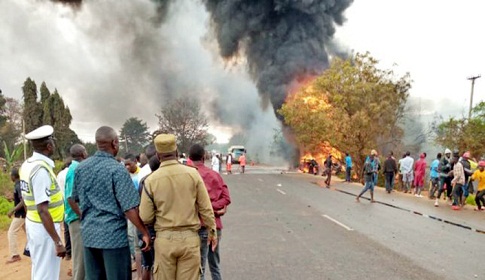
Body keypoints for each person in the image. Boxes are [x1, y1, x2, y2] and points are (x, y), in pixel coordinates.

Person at [72, 126, 150, 280]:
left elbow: (74, 199)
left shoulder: (81, 168)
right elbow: (129, 208)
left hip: (89, 236)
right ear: (114, 143)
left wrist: (87, 219)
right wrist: (144, 232)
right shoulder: (118, 170)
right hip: (113, 238)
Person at [140, 134, 217, 280]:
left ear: (157, 155)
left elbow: (146, 216)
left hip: (164, 241)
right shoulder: (193, 174)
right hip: (190, 240)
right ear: (176, 152)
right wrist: (212, 232)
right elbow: (206, 209)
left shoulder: (150, 181)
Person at [20, 125, 66, 279]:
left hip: (35, 223)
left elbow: (27, 199)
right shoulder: (40, 171)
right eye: (52, 141)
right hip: (45, 226)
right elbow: (42, 209)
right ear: (48, 146)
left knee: (39, 268)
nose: (54, 144)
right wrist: (57, 241)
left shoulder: (27, 165)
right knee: (47, 273)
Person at [189, 144, 231, 280]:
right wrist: (213, 209)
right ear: (204, 157)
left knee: (199, 268)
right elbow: (226, 198)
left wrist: (203, 208)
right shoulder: (214, 175)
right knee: (215, 266)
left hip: (195, 227)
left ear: (189, 158)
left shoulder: (187, 176)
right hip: (214, 225)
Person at [64, 144, 88, 280]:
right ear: (83, 154)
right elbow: (70, 197)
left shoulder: (76, 168)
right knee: (80, 258)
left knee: (83, 256)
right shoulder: (74, 170)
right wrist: (81, 214)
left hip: (78, 216)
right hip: (76, 218)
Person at [6, 168, 26, 264]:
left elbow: (23, 201)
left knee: (11, 233)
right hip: (24, 214)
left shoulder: (18, 186)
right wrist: (12, 198)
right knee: (30, 234)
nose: (10, 177)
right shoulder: (19, 185)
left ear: (13, 176)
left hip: (21, 215)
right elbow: (19, 199)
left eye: (11, 175)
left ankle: (15, 255)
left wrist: (12, 210)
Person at [57, 158, 73, 263]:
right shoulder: (72, 172)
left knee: (66, 229)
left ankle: (68, 252)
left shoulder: (59, 174)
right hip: (72, 202)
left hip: (63, 203)